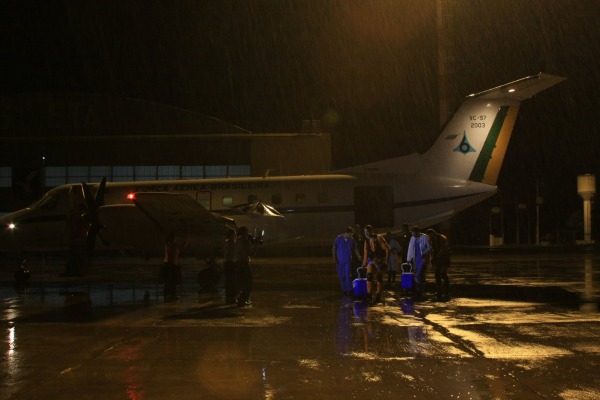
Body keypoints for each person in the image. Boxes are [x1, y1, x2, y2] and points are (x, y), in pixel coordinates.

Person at [362, 225, 390, 304]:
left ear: (371, 231)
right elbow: (365, 253)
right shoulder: (366, 241)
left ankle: (378, 295)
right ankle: (369, 294)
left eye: (368, 232)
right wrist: (363, 264)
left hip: (379, 260)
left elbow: (387, 248)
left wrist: (386, 260)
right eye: (365, 232)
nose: (366, 234)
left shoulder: (379, 238)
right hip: (371, 260)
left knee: (378, 277)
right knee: (369, 276)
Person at [332, 227, 361, 295]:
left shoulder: (351, 239)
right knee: (342, 276)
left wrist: (358, 255)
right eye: (350, 234)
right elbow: (334, 248)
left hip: (347, 261)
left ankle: (349, 289)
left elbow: (355, 248)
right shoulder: (338, 239)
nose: (351, 236)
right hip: (339, 261)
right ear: (346, 233)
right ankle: (344, 289)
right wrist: (334, 258)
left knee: (347, 274)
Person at [161, 231, 188, 302]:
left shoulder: (167, 244)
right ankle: (172, 294)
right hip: (172, 265)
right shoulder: (173, 245)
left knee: (169, 281)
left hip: (167, 264)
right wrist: (187, 240)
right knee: (173, 281)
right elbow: (183, 246)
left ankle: (168, 294)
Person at [406, 226, 431, 296]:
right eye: (412, 233)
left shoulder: (424, 237)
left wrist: (425, 254)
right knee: (416, 273)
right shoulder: (412, 238)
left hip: (423, 258)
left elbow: (429, 247)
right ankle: (418, 289)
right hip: (415, 258)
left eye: (414, 233)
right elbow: (410, 248)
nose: (413, 234)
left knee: (420, 274)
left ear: (417, 232)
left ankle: (421, 290)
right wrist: (408, 259)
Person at [426, 228, 451, 300]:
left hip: (444, 259)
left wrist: (435, 256)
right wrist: (432, 259)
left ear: (432, 234)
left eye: (430, 235)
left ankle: (446, 291)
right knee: (437, 275)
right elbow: (432, 250)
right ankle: (439, 290)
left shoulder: (441, 238)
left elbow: (443, 249)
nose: (429, 237)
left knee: (443, 274)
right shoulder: (432, 240)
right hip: (438, 260)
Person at [235, 226, 253, 307]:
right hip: (244, 262)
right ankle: (243, 299)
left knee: (242, 281)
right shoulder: (244, 240)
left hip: (238, 261)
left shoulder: (237, 240)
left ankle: (240, 299)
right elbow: (249, 252)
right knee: (248, 282)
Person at [223, 229, 237, 304]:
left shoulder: (226, 242)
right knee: (233, 281)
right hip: (231, 263)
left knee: (228, 281)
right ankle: (232, 298)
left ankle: (229, 298)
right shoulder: (232, 242)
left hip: (226, 262)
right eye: (234, 234)